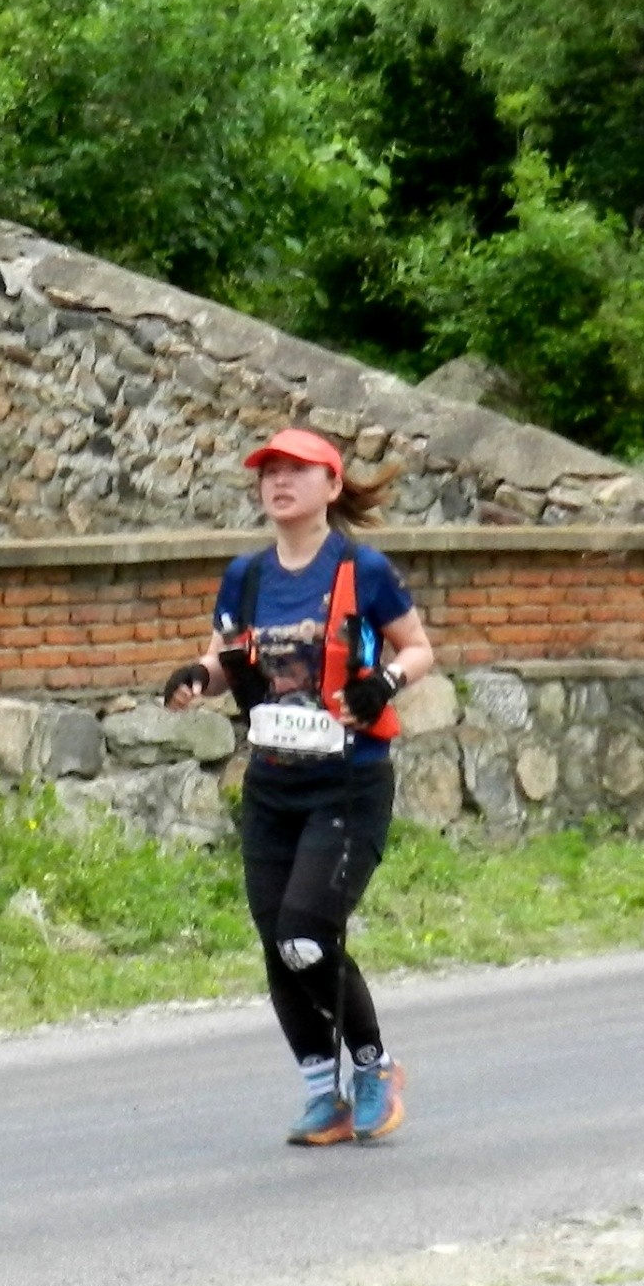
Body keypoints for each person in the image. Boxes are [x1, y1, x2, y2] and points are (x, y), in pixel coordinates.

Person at [165, 425, 439, 1147]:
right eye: (268, 473)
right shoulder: (245, 578)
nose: (278, 483)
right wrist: (198, 676)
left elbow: (418, 650)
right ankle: (324, 1093)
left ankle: (375, 1068)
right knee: (274, 943)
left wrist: (381, 684)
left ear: (330, 484)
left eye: (295, 471)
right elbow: (227, 658)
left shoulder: (362, 569)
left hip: (347, 784)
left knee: (307, 937)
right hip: (273, 785)